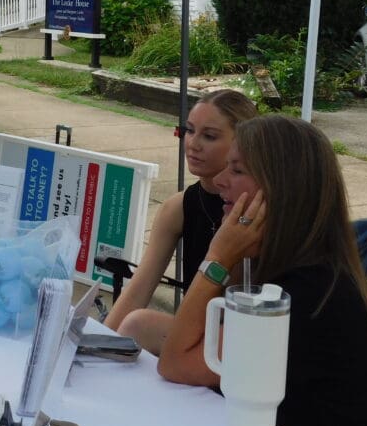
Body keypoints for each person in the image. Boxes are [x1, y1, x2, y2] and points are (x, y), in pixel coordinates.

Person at [156, 115, 367, 426]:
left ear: (282, 189)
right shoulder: (295, 267)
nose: (220, 180)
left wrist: (217, 258)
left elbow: (175, 363)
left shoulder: (305, 291)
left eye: (238, 171)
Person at [106, 89, 257, 352]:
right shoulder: (178, 207)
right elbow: (138, 289)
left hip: (244, 344)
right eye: (189, 130)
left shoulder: (255, 209)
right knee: (132, 325)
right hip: (193, 336)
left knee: (140, 325)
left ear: (241, 143)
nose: (193, 143)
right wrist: (98, 342)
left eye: (209, 136)